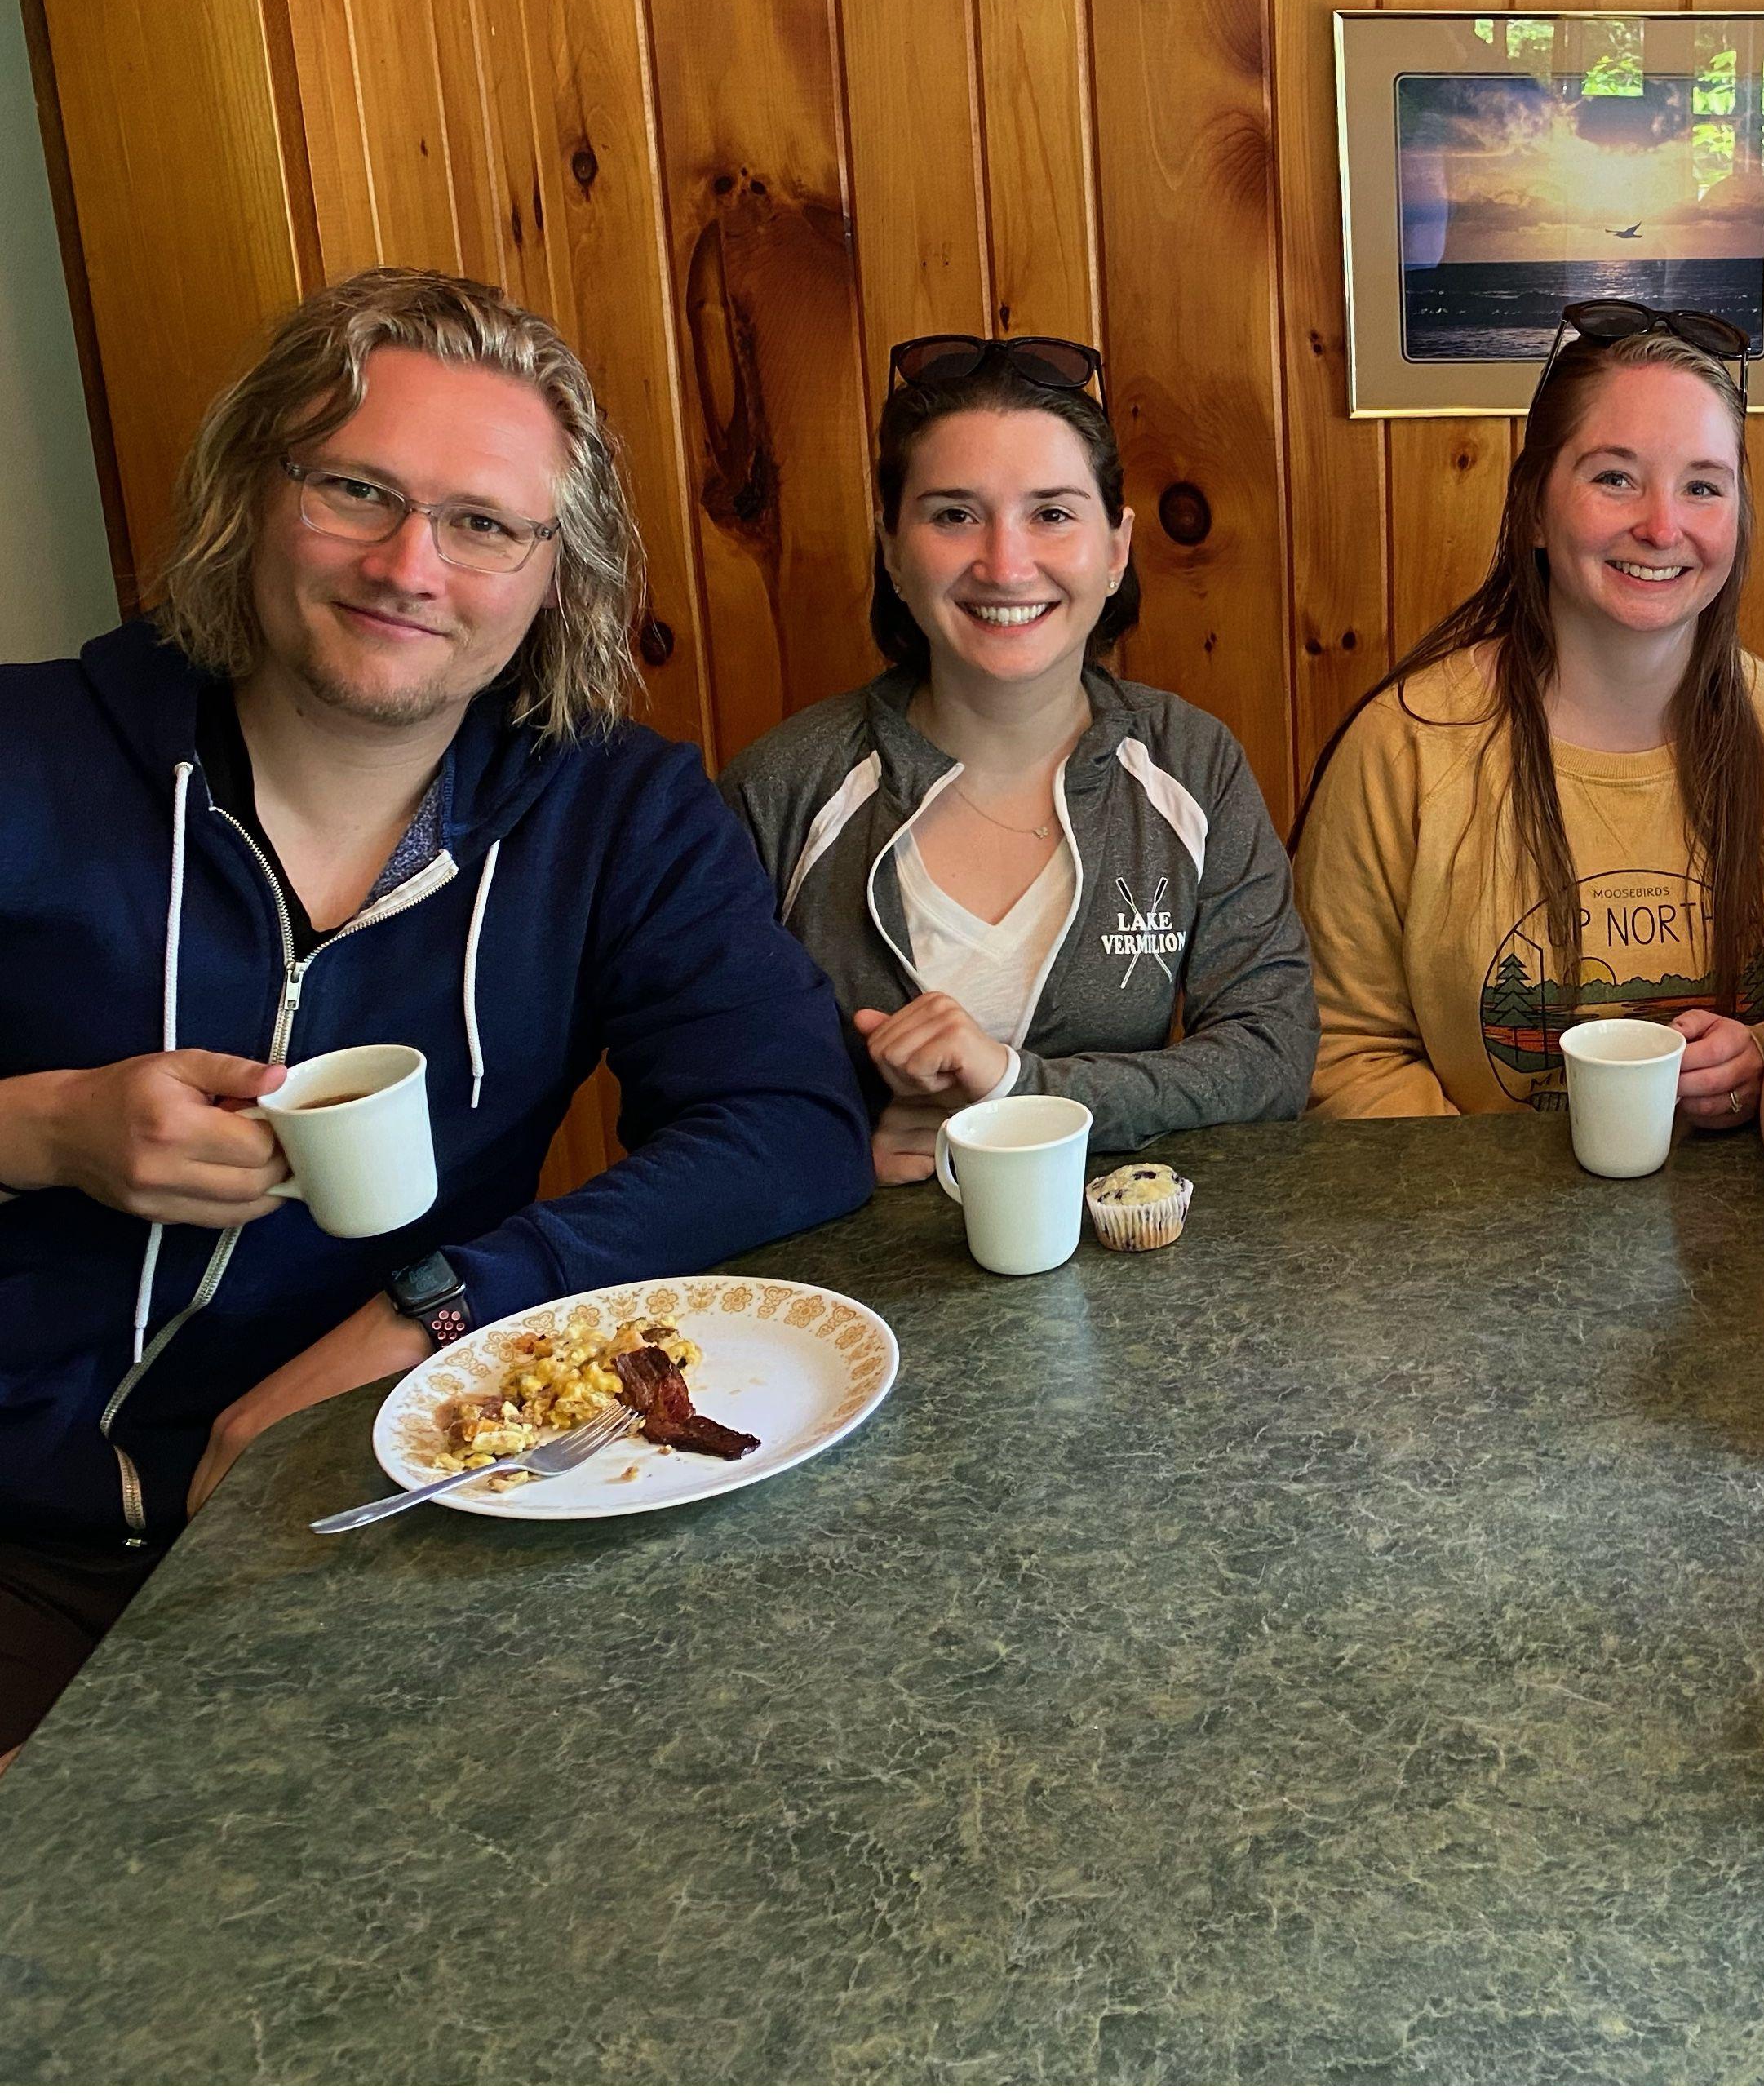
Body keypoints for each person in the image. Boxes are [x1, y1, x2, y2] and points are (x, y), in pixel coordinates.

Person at [0, 271, 872, 1758]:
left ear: (554, 574)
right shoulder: (31, 754)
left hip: (373, 1516)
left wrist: (445, 1304)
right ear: (255, 494)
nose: (411, 563)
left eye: (482, 524)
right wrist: (43, 1127)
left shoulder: (617, 812)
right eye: (358, 489)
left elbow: (790, 1122)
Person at [721, 336, 1315, 1182]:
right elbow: (694, 1099)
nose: (1005, 564)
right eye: (954, 514)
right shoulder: (781, 788)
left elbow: (1271, 1054)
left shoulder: (1192, 762)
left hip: (1136, 1264)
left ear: (1115, 548)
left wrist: (1014, 1090)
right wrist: (842, 1150)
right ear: (892, 547)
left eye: (1053, 513)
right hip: (850, 1289)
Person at [1296, 310, 1764, 1130]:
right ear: (1533, 509)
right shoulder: (1402, 747)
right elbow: (1343, 1054)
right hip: (1475, 1240)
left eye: (1703, 486)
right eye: (1615, 478)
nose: (1662, 526)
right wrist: (1519, 1223)